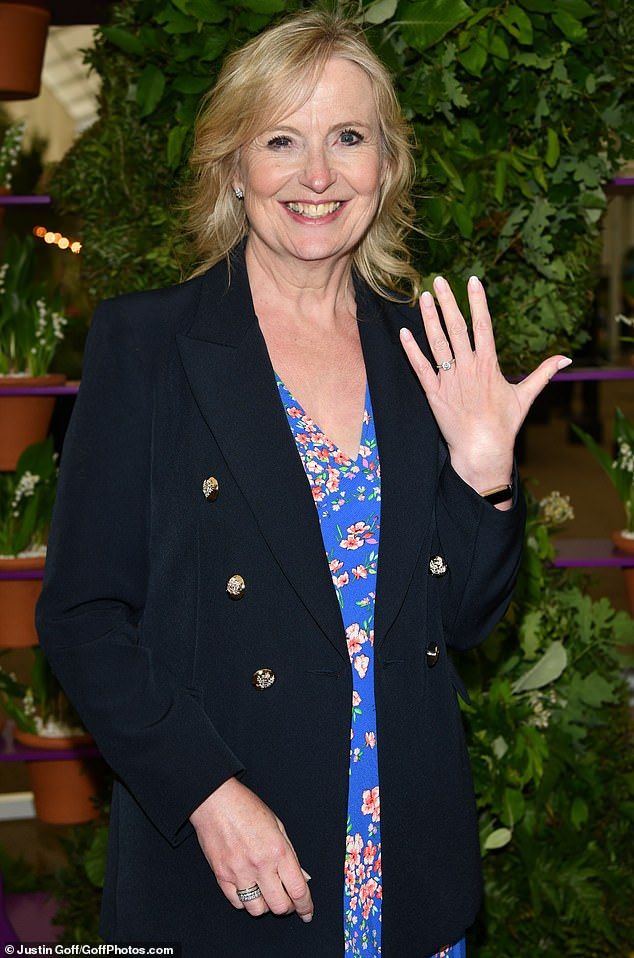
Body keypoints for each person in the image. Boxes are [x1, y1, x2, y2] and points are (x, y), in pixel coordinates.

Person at [36, 10, 571, 957]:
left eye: (348, 138)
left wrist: (486, 482)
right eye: (282, 140)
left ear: (386, 166)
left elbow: (467, 623)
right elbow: (83, 615)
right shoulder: (147, 344)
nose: (317, 175)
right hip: (233, 857)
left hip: (406, 857)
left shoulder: (422, 354)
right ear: (234, 167)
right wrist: (203, 789)